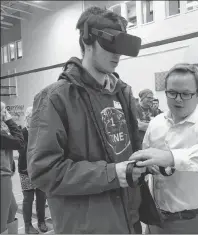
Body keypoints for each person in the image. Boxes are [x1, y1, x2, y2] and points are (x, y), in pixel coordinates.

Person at [27, 6, 145, 234]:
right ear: (87, 40)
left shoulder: (123, 93)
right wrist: (111, 173)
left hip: (129, 220)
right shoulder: (55, 98)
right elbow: (43, 171)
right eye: (110, 45)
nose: (117, 54)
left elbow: (127, 153)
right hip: (87, 226)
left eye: (120, 47)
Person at [129, 63, 198, 234]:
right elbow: (147, 154)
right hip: (156, 219)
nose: (177, 99)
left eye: (185, 94)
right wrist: (146, 165)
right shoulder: (156, 123)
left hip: (193, 221)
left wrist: (171, 158)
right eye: (172, 93)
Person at [18, 107, 48, 234]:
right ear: (27, 119)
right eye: (32, 117)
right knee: (28, 198)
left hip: (40, 169)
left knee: (41, 197)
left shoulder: (40, 131)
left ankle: (41, 221)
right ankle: (27, 225)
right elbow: (22, 150)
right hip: (25, 170)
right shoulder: (22, 133)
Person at [1, 101, 25, 234]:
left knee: (12, 208)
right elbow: (19, 142)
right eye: (4, 111)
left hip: (5, 174)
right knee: (2, 218)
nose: (6, 113)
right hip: (2, 176)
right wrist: (10, 121)